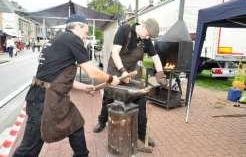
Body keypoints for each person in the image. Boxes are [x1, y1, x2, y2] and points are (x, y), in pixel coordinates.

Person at [13, 14, 120, 157]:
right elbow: (92, 72)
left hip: (51, 95)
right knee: (29, 148)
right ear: (77, 27)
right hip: (44, 100)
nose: (85, 37)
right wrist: (110, 79)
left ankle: (81, 154)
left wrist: (85, 87)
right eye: (85, 32)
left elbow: (58, 78)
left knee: (75, 123)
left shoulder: (59, 39)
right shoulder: (72, 39)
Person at [93, 18, 167, 147]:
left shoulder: (146, 40)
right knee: (108, 98)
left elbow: (155, 57)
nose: (148, 37)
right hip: (116, 69)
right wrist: (122, 72)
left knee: (141, 100)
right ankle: (102, 121)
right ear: (143, 26)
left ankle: (142, 134)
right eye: (148, 33)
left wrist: (160, 74)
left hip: (131, 73)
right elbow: (115, 53)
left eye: (150, 36)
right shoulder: (124, 30)